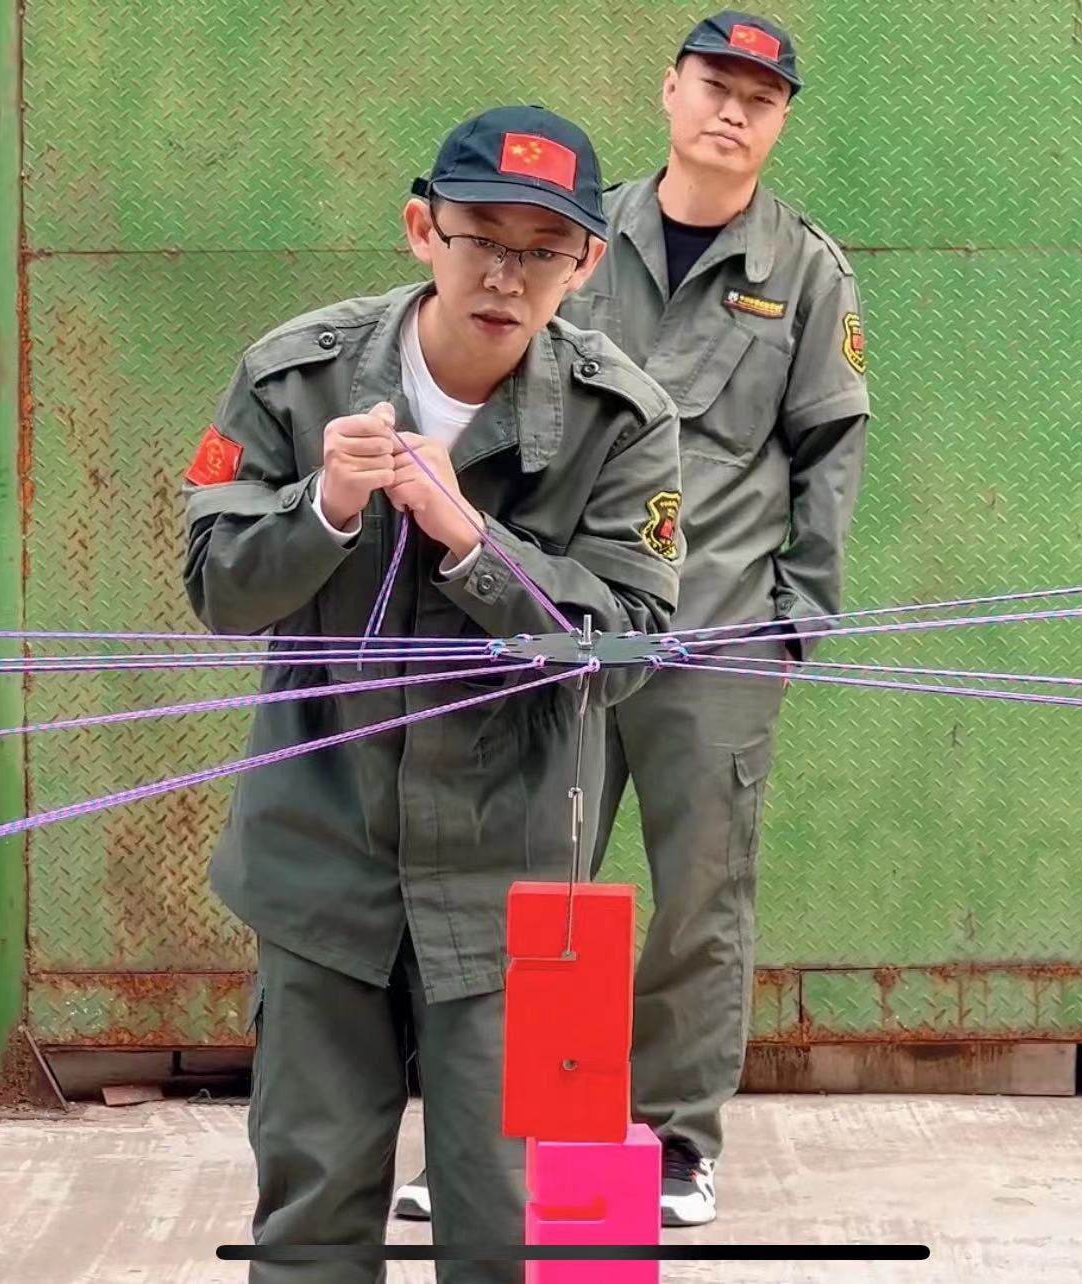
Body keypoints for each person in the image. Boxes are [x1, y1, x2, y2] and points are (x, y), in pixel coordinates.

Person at [180, 105, 683, 1283]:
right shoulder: (295, 376)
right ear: (422, 229)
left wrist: (472, 542)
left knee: (527, 1227)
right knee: (311, 1213)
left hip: (524, 891)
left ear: (585, 265)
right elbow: (217, 586)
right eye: (481, 239)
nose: (507, 276)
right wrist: (323, 510)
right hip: (321, 862)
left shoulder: (621, 418)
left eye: (543, 251)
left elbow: (633, 645)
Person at [394, 11, 869, 1232]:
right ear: (669, 91)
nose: (731, 111)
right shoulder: (574, 239)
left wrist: (796, 620)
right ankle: (498, 1142)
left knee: (700, 895)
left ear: (779, 121)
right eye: (714, 85)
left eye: (759, 98)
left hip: (716, 637)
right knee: (533, 888)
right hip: (569, 624)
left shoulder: (804, 271)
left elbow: (827, 449)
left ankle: (672, 1143)